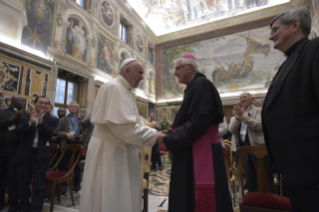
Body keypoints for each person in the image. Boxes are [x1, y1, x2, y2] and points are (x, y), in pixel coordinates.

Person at [80, 58, 166, 212]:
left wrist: (155, 133)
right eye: (140, 73)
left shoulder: (126, 90)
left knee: (122, 196)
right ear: (127, 71)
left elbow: (135, 124)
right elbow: (124, 130)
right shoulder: (114, 87)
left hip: (120, 152)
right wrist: (155, 134)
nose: (142, 77)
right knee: (111, 198)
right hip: (111, 154)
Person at [262, 7, 319, 212]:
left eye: (275, 30)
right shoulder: (290, 60)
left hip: (311, 166)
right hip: (295, 167)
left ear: (295, 25)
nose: (270, 37)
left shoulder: (314, 49)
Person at [162, 54, 233, 212]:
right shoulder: (194, 86)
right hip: (193, 150)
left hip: (200, 150)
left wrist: (172, 139)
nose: (175, 73)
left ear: (190, 68)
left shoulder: (201, 84)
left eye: (177, 69)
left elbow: (199, 123)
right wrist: (172, 131)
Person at [14, 96, 57, 212]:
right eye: (41, 103)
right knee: (23, 183)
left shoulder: (52, 118)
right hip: (25, 154)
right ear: (34, 103)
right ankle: (23, 207)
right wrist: (30, 123)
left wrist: (41, 123)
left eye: (46, 103)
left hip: (41, 155)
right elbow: (17, 132)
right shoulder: (26, 116)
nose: (43, 105)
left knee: (39, 184)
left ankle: (36, 209)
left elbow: (50, 134)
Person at [229, 92, 273, 193]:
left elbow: (259, 126)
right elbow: (231, 130)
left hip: (259, 149)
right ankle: (254, 205)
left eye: (245, 97)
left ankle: (268, 205)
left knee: (264, 180)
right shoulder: (238, 113)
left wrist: (243, 117)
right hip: (244, 150)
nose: (242, 99)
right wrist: (237, 118)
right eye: (240, 98)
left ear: (252, 99)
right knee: (251, 181)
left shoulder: (259, 111)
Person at [0, 95, 26, 212]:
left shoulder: (25, 115)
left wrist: (19, 118)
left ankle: (13, 204)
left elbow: (25, 129)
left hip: (15, 150)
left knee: (11, 178)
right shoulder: (2, 112)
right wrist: (12, 119)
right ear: (13, 101)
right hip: (1, 148)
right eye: (22, 101)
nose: (24, 103)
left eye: (25, 101)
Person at [56, 101, 87, 193]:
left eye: (75, 107)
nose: (73, 108)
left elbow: (88, 128)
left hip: (79, 142)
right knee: (65, 165)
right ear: (68, 108)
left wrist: (84, 135)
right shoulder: (63, 119)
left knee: (77, 165)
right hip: (67, 143)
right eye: (71, 106)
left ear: (77, 109)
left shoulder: (82, 118)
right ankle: (63, 186)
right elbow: (58, 131)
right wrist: (66, 134)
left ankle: (76, 185)